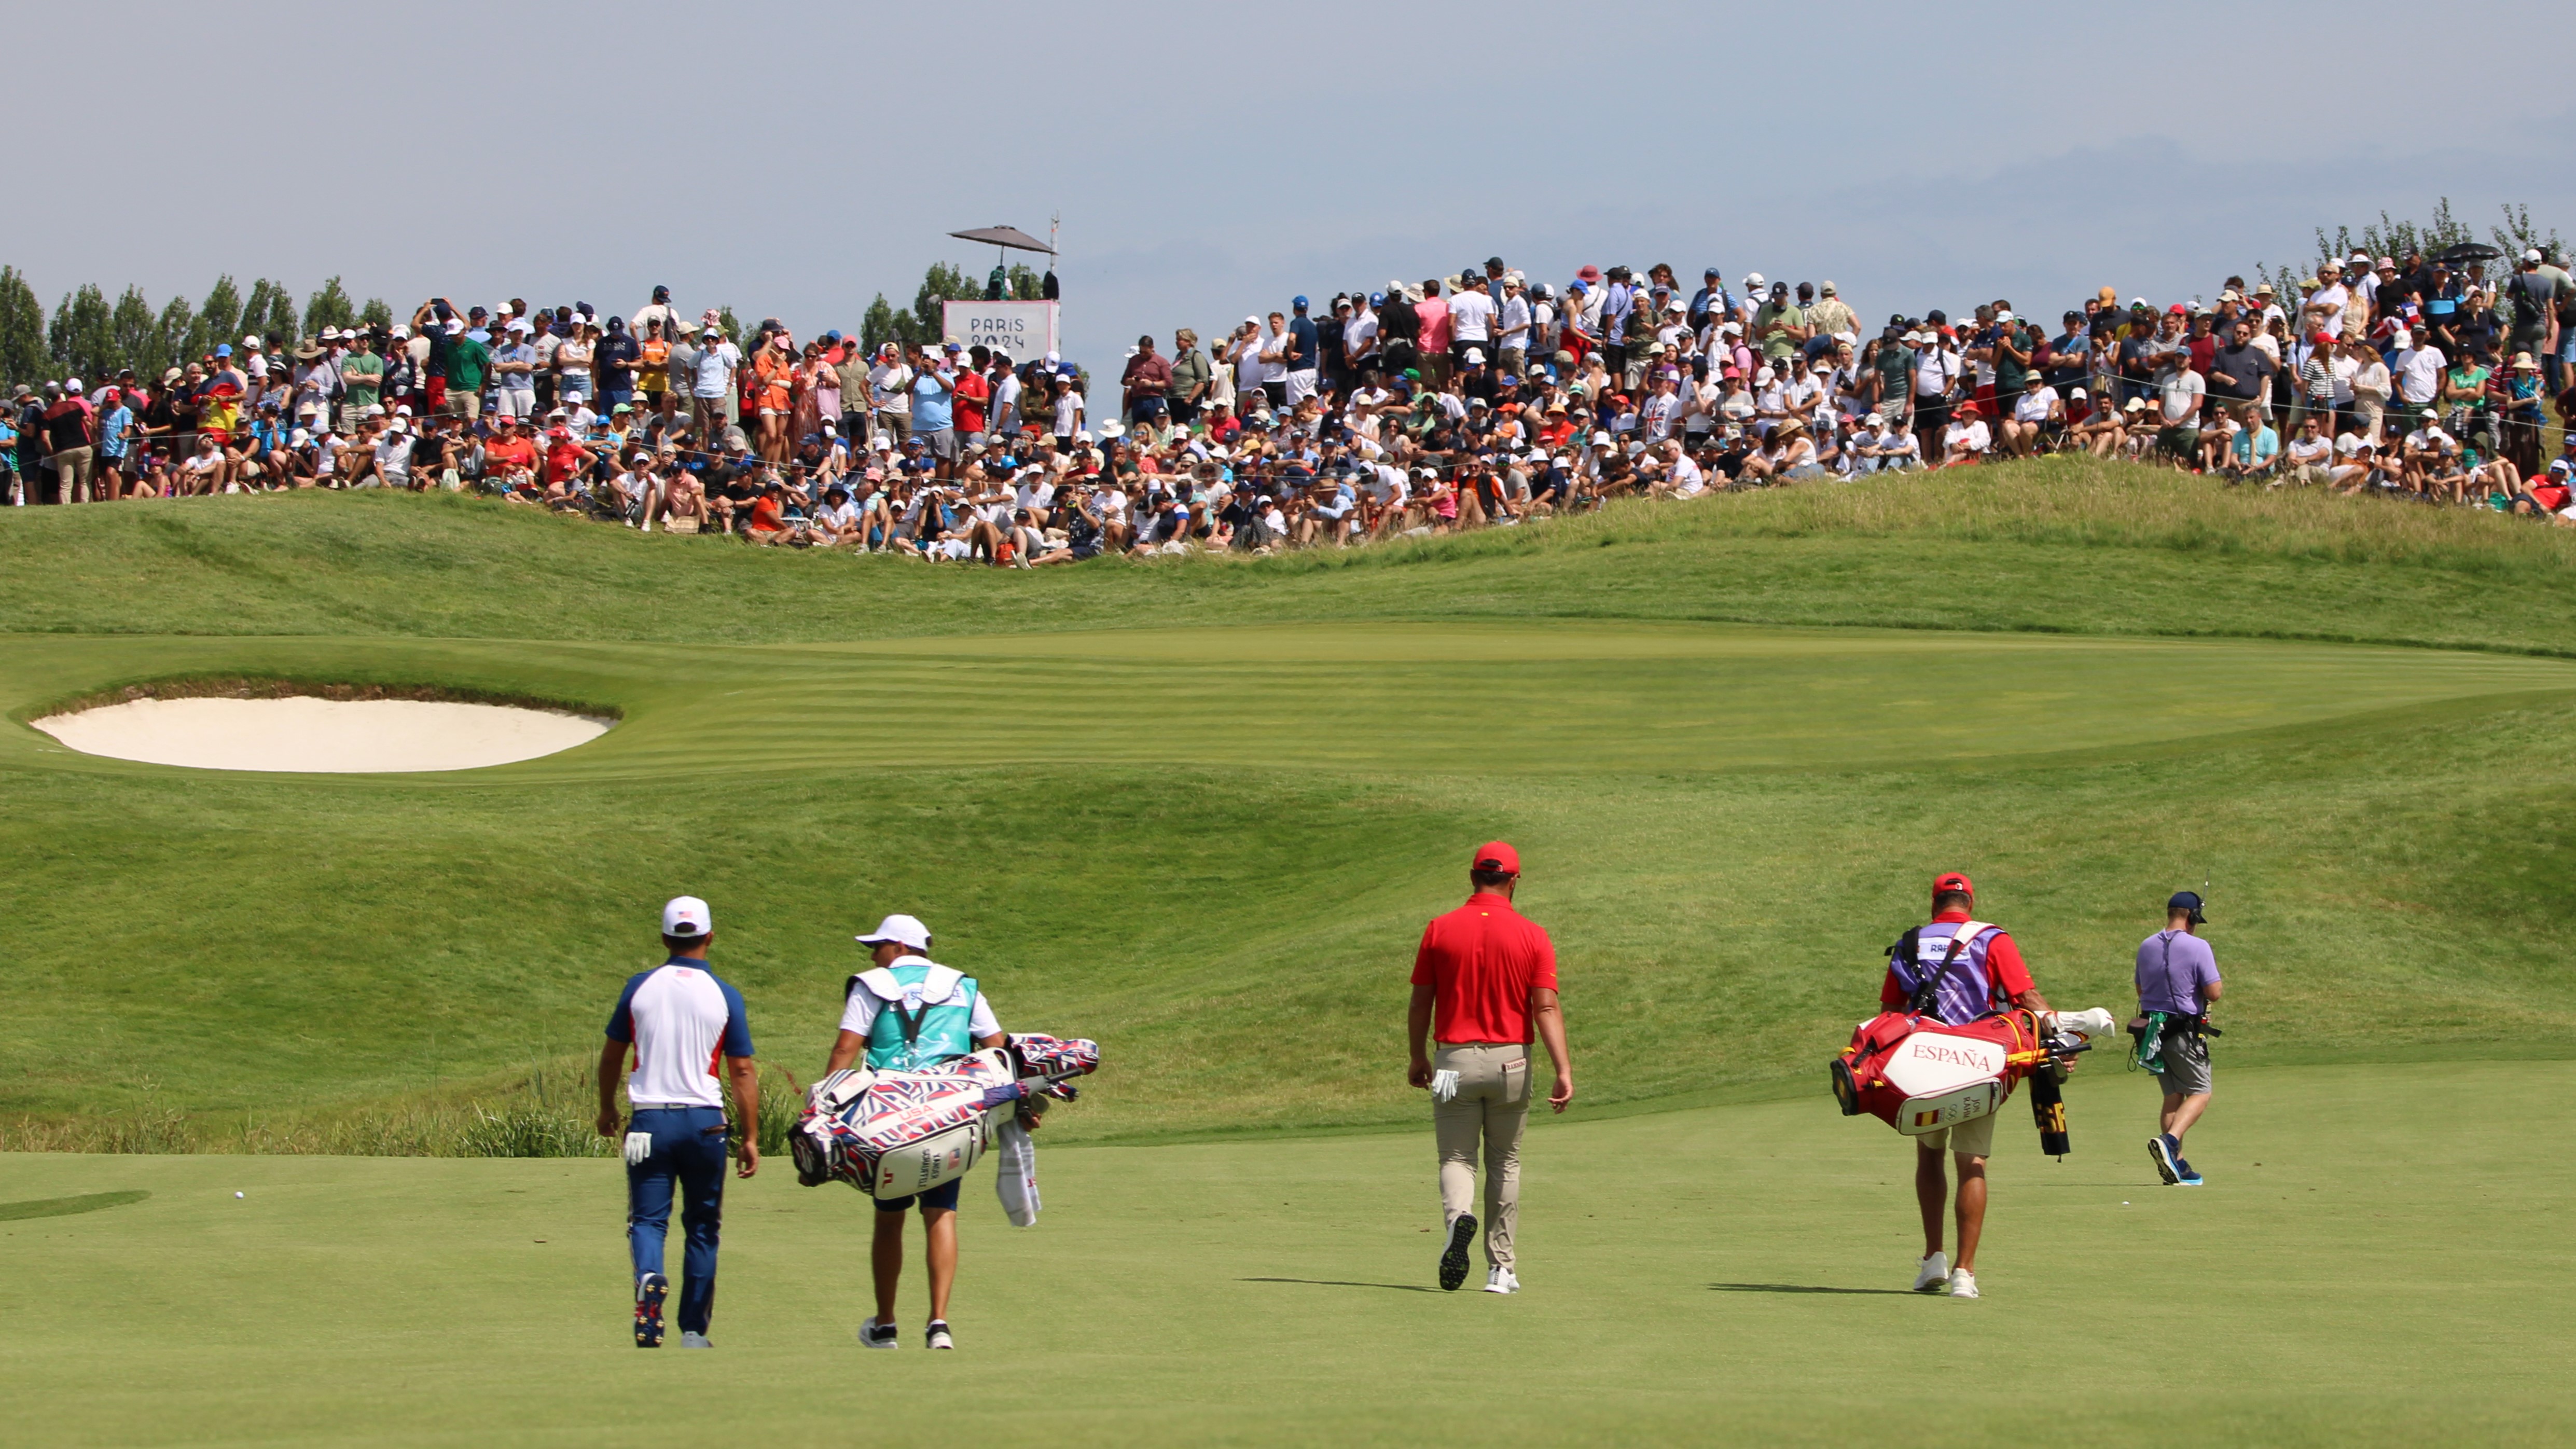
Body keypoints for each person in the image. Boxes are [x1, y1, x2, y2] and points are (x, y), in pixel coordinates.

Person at [823, 912, 1005, 1351]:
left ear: (900, 947)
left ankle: (886, 1324)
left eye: (878, 945)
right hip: (950, 1113)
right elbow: (997, 1046)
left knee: (889, 1219)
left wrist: (824, 1106)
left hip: (889, 1119)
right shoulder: (963, 985)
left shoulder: (871, 985)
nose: (873, 954)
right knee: (941, 1213)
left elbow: (846, 1049)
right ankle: (939, 1322)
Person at [1405, 841, 1574, 1296]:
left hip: (1450, 1061)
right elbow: (1546, 1008)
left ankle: (1459, 1220)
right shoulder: (1533, 934)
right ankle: (1501, 1268)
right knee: (1505, 1160)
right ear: (1514, 880)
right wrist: (1563, 1069)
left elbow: (1422, 999)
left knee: (1456, 1157)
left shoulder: (1439, 928)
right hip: (1512, 1060)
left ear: (1472, 876)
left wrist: (1418, 1056)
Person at [594, 896, 759, 1350]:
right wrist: (750, 1136)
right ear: (710, 936)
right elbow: (741, 1070)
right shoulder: (725, 994)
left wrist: (608, 1107)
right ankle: (692, 1331)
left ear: (666, 938)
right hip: (705, 1123)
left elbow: (613, 1054)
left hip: (649, 1123)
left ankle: (649, 1276)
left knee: (648, 1221)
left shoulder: (639, 987)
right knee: (703, 1225)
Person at [1880, 872, 2054, 1300]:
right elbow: (2027, 999)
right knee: (1972, 1163)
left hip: (1923, 1065)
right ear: (1970, 903)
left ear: (1934, 904)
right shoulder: (1993, 939)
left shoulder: (1910, 942)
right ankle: (1965, 1272)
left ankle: (1932, 1258)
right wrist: (2060, 1029)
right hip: (1978, 1063)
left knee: (1929, 1156)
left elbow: (1889, 1010)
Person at [2137, 891, 2223, 1188]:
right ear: (2192, 917)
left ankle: (2179, 1167)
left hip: (2152, 1033)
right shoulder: (2199, 946)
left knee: (2173, 1096)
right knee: (2201, 1090)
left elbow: (2140, 990)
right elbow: (2214, 993)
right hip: (2183, 1030)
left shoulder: (2146, 945)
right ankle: (2171, 1143)